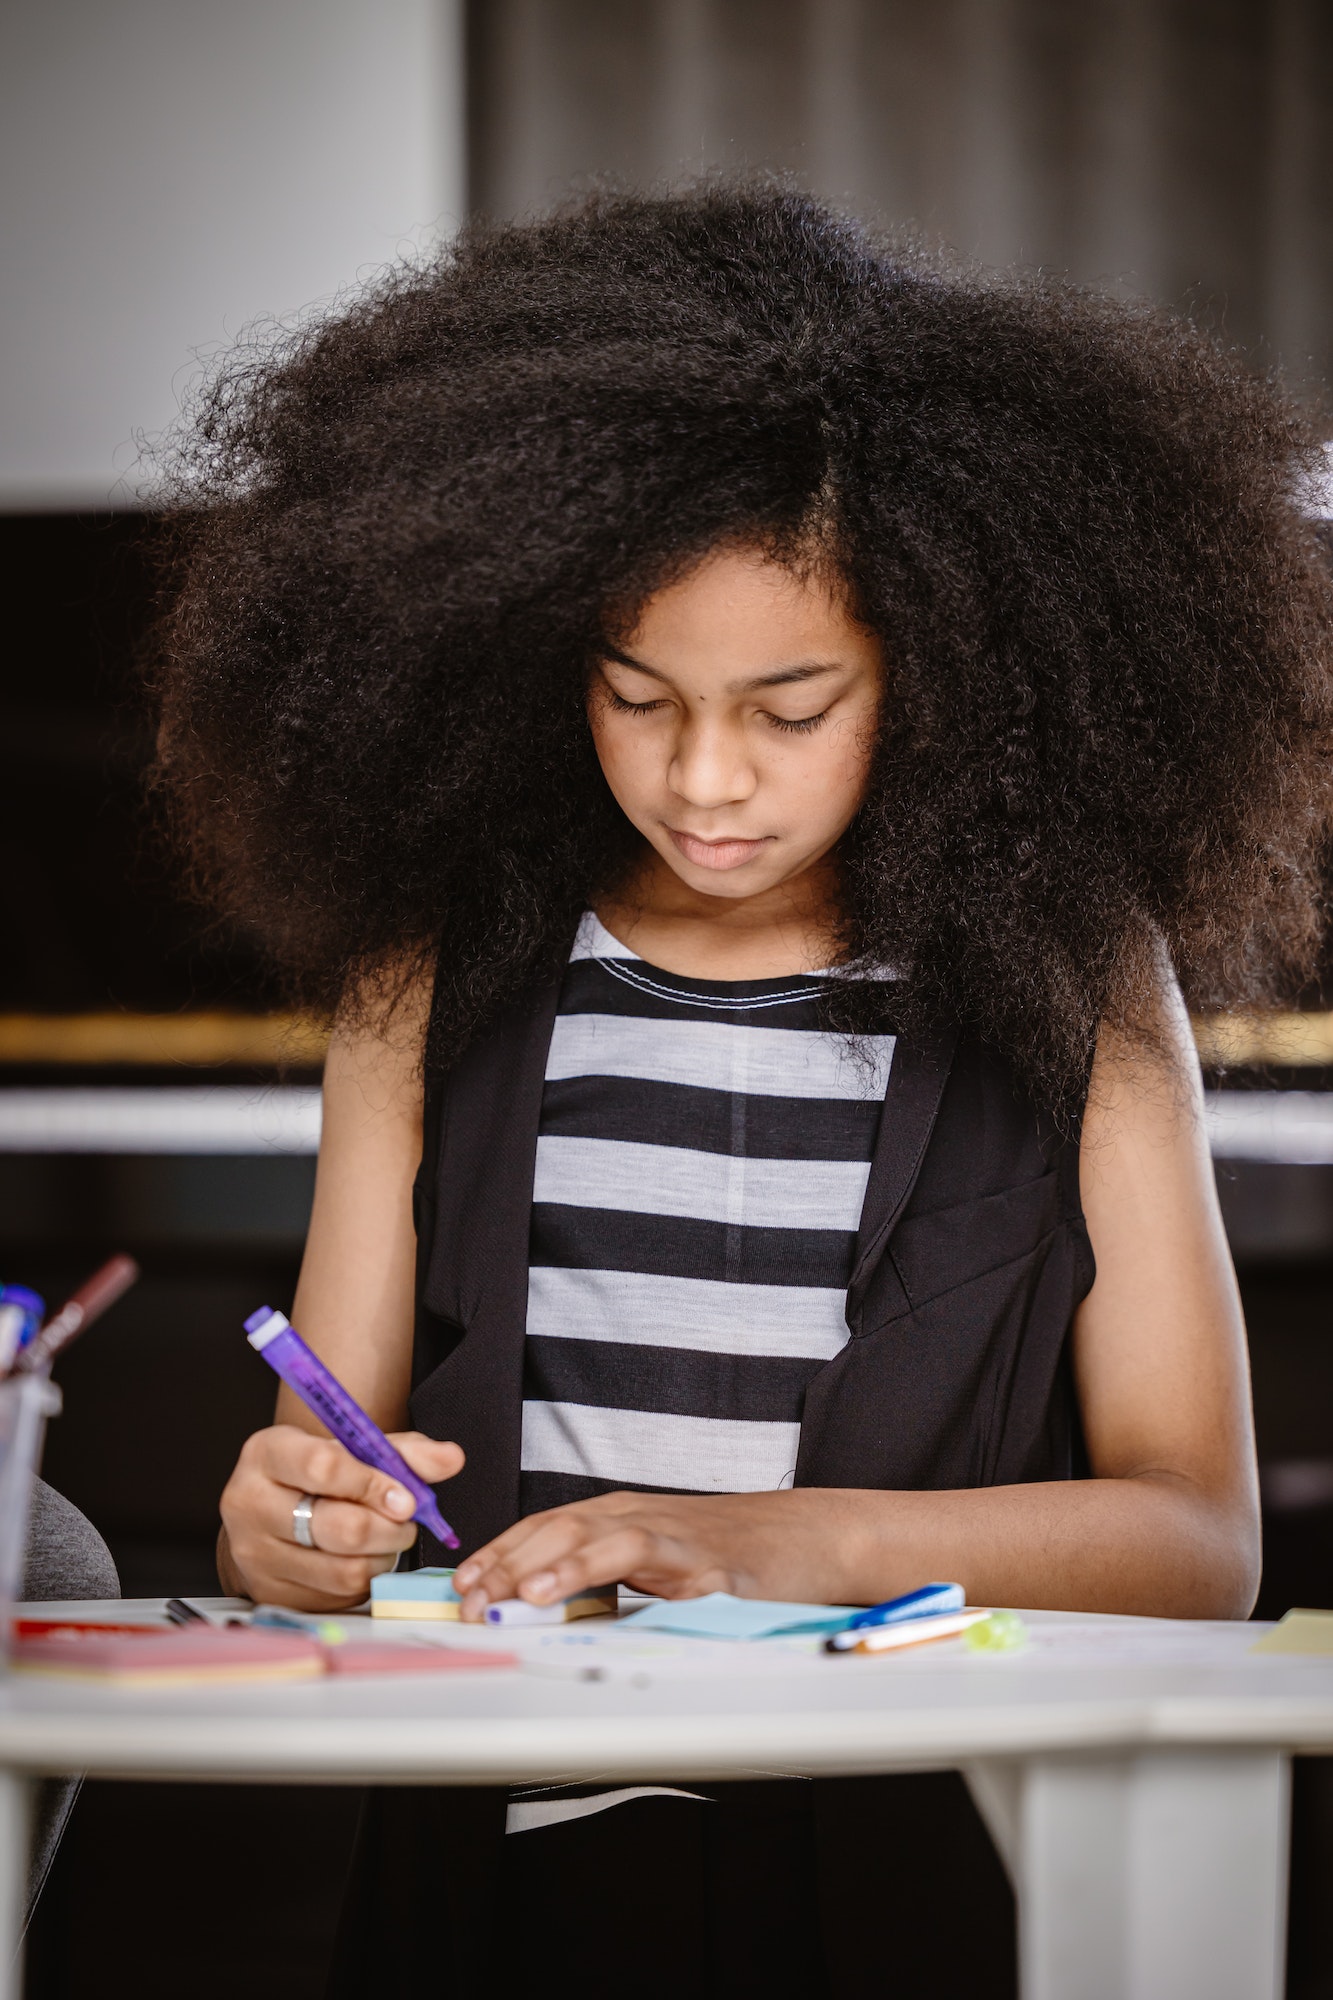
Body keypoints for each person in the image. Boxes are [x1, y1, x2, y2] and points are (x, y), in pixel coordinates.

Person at [150, 184, 1333, 1994]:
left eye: (792, 710)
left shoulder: (1074, 989)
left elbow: (1198, 1542)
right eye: (638, 698)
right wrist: (289, 1530)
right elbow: (334, 1471)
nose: (706, 781)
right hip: (507, 1863)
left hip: (912, 1862)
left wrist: (769, 1546)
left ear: (940, 681)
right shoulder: (424, 977)